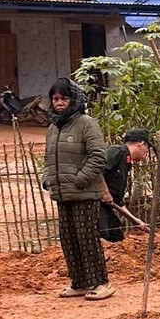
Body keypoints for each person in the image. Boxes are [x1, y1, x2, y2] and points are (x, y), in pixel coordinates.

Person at [40, 76, 112, 300]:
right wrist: (48, 178)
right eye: (55, 98)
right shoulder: (53, 127)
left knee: (87, 237)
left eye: (64, 98)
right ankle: (79, 282)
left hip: (84, 193)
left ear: (75, 100)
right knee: (69, 239)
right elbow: (48, 158)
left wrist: (80, 179)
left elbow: (99, 156)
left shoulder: (86, 123)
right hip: (62, 193)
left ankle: (101, 283)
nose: (59, 103)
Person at [100, 128, 152, 243]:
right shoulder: (116, 151)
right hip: (95, 203)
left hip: (107, 206)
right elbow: (97, 170)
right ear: (141, 144)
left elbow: (118, 201)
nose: (146, 152)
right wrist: (105, 192)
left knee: (116, 235)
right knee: (104, 236)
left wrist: (136, 220)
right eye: (147, 148)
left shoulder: (126, 162)